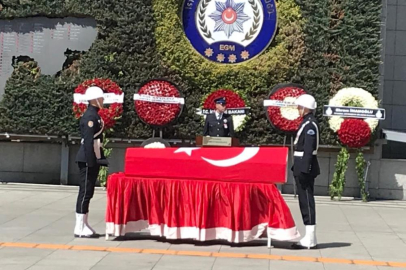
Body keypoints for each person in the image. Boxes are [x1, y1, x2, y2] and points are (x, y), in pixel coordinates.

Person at [74, 86, 109, 238]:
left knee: (89, 192)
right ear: (95, 99)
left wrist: (99, 158)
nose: (103, 100)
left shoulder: (95, 115)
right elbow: (88, 141)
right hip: (87, 158)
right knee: (85, 192)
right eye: (100, 98)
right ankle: (79, 226)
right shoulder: (90, 117)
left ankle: (84, 223)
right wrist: (91, 161)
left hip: (92, 156)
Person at [291, 94, 320, 249]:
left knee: (306, 201)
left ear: (306, 107)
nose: (298, 109)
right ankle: (310, 237)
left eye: (300, 106)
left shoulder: (310, 125)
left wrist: (304, 169)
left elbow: (308, 150)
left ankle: (309, 238)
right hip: (302, 166)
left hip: (305, 167)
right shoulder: (306, 122)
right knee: (304, 201)